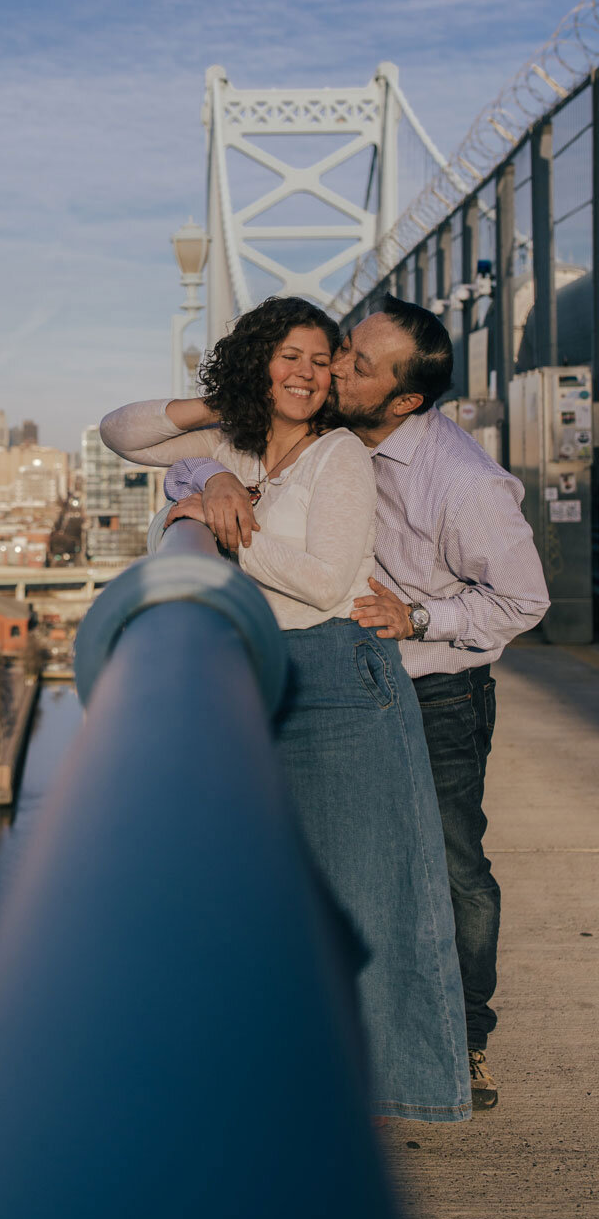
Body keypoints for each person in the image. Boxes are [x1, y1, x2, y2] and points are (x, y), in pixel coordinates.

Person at [161, 295, 550, 1111]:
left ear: (406, 400)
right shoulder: (320, 436)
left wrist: (420, 617)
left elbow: (524, 602)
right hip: (348, 672)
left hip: (434, 682)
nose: (334, 370)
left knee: (449, 871)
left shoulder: (465, 483)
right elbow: (171, 455)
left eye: (357, 367)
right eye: (343, 351)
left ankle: (464, 1042)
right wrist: (220, 470)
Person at [101, 295, 470, 1124]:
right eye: (288, 357)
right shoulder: (229, 440)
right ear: (257, 361)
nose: (308, 373)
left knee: (372, 898)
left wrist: (230, 524)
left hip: (343, 680)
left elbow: (328, 581)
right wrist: (216, 462)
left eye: (321, 359)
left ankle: (402, 1090)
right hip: (258, 670)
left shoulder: (340, 453)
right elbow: (119, 432)